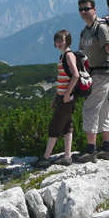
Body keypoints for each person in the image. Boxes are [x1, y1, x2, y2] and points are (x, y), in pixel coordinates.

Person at [77, 0, 109, 162]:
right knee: (103, 109)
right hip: (90, 74)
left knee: (90, 108)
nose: (83, 12)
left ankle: (91, 150)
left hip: (101, 74)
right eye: (81, 9)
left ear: (94, 9)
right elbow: (82, 54)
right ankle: (107, 148)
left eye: (86, 8)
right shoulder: (85, 31)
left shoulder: (101, 29)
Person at [35, 29, 79, 168]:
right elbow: (62, 79)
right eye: (57, 40)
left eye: (62, 40)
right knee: (66, 126)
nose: (59, 43)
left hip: (66, 98)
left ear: (68, 41)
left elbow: (76, 75)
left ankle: (46, 157)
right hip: (63, 97)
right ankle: (67, 156)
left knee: (54, 126)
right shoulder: (62, 57)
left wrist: (66, 94)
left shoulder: (68, 55)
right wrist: (56, 97)